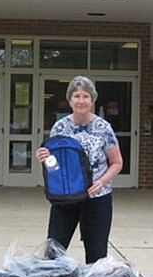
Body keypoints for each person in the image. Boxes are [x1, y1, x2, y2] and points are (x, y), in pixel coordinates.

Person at [35, 76, 124, 264]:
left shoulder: (103, 128)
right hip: (66, 197)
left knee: (96, 254)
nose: (81, 101)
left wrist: (101, 182)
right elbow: (55, 167)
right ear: (70, 100)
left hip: (97, 199)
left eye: (86, 96)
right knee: (53, 251)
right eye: (77, 96)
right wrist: (44, 159)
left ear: (92, 100)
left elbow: (117, 163)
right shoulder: (60, 127)